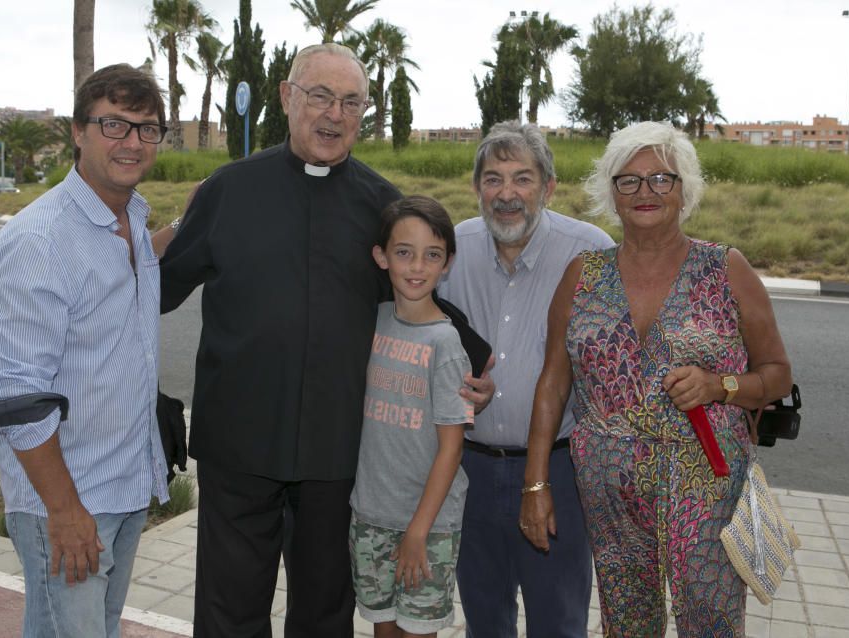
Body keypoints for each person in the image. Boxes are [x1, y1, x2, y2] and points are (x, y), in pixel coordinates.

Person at [160, 44, 497, 637]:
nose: (333, 115)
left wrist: (476, 368)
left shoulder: (382, 205)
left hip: (337, 455)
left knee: (323, 615)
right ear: (288, 98)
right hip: (239, 446)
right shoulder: (228, 190)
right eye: (319, 96)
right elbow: (157, 291)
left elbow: (423, 292)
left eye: (350, 102)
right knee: (227, 611)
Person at [519, 121, 793, 636]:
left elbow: (777, 374)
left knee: (709, 618)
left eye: (661, 179)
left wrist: (721, 386)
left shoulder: (725, 267)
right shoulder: (584, 275)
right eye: (629, 180)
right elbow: (553, 385)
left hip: (706, 483)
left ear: (684, 190)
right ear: (611, 192)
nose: (646, 192)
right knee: (627, 620)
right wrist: (535, 484)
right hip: (610, 487)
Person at [0, 64, 170, 637]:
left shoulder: (127, 221)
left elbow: (121, 278)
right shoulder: (37, 243)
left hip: (124, 486)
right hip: (68, 501)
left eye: (147, 128)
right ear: (77, 132)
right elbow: (17, 400)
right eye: (114, 124)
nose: (132, 142)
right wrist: (64, 512)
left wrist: (200, 213)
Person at [436, 120, 614, 637]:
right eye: (493, 179)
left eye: (522, 178)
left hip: (557, 473)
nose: (506, 194)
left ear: (549, 186)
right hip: (468, 468)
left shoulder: (591, 253)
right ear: (476, 188)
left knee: (558, 621)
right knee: (484, 620)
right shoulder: (452, 251)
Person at [349, 195, 474, 637]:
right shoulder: (374, 320)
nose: (417, 266)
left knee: (418, 630)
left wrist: (418, 532)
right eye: (404, 252)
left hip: (428, 524)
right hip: (370, 515)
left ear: (447, 264)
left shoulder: (445, 345)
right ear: (381, 257)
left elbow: (452, 449)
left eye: (432, 255)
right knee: (384, 628)